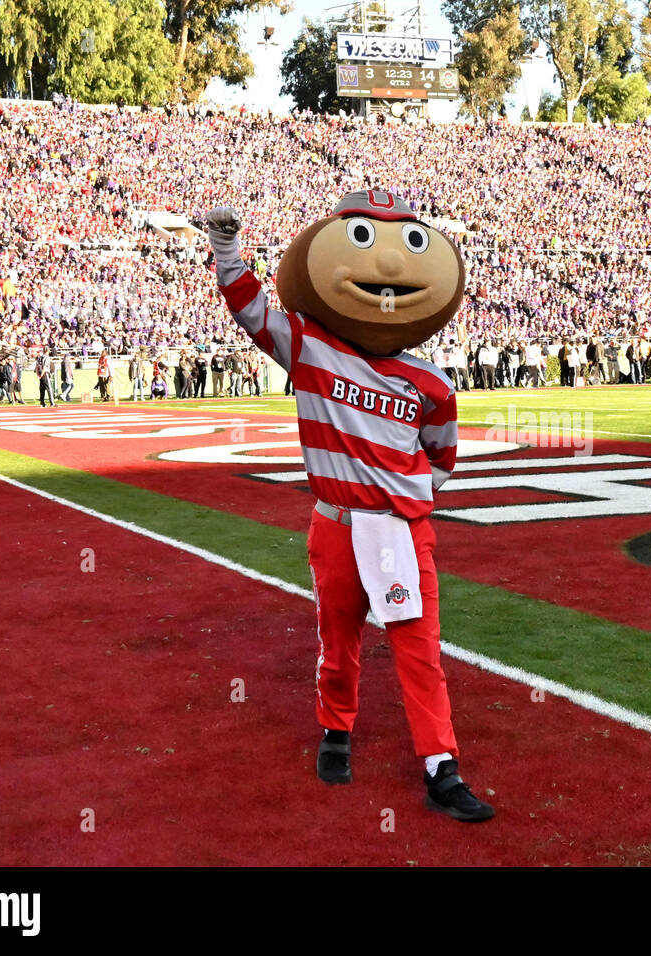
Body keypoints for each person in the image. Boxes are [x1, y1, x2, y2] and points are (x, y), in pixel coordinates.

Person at [206, 195, 493, 822]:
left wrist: (399, 496)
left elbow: (442, 461)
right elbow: (252, 311)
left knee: (419, 646)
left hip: (400, 530)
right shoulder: (309, 347)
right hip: (336, 524)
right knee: (339, 642)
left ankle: (440, 767)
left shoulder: (432, 384)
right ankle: (336, 729)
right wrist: (227, 250)